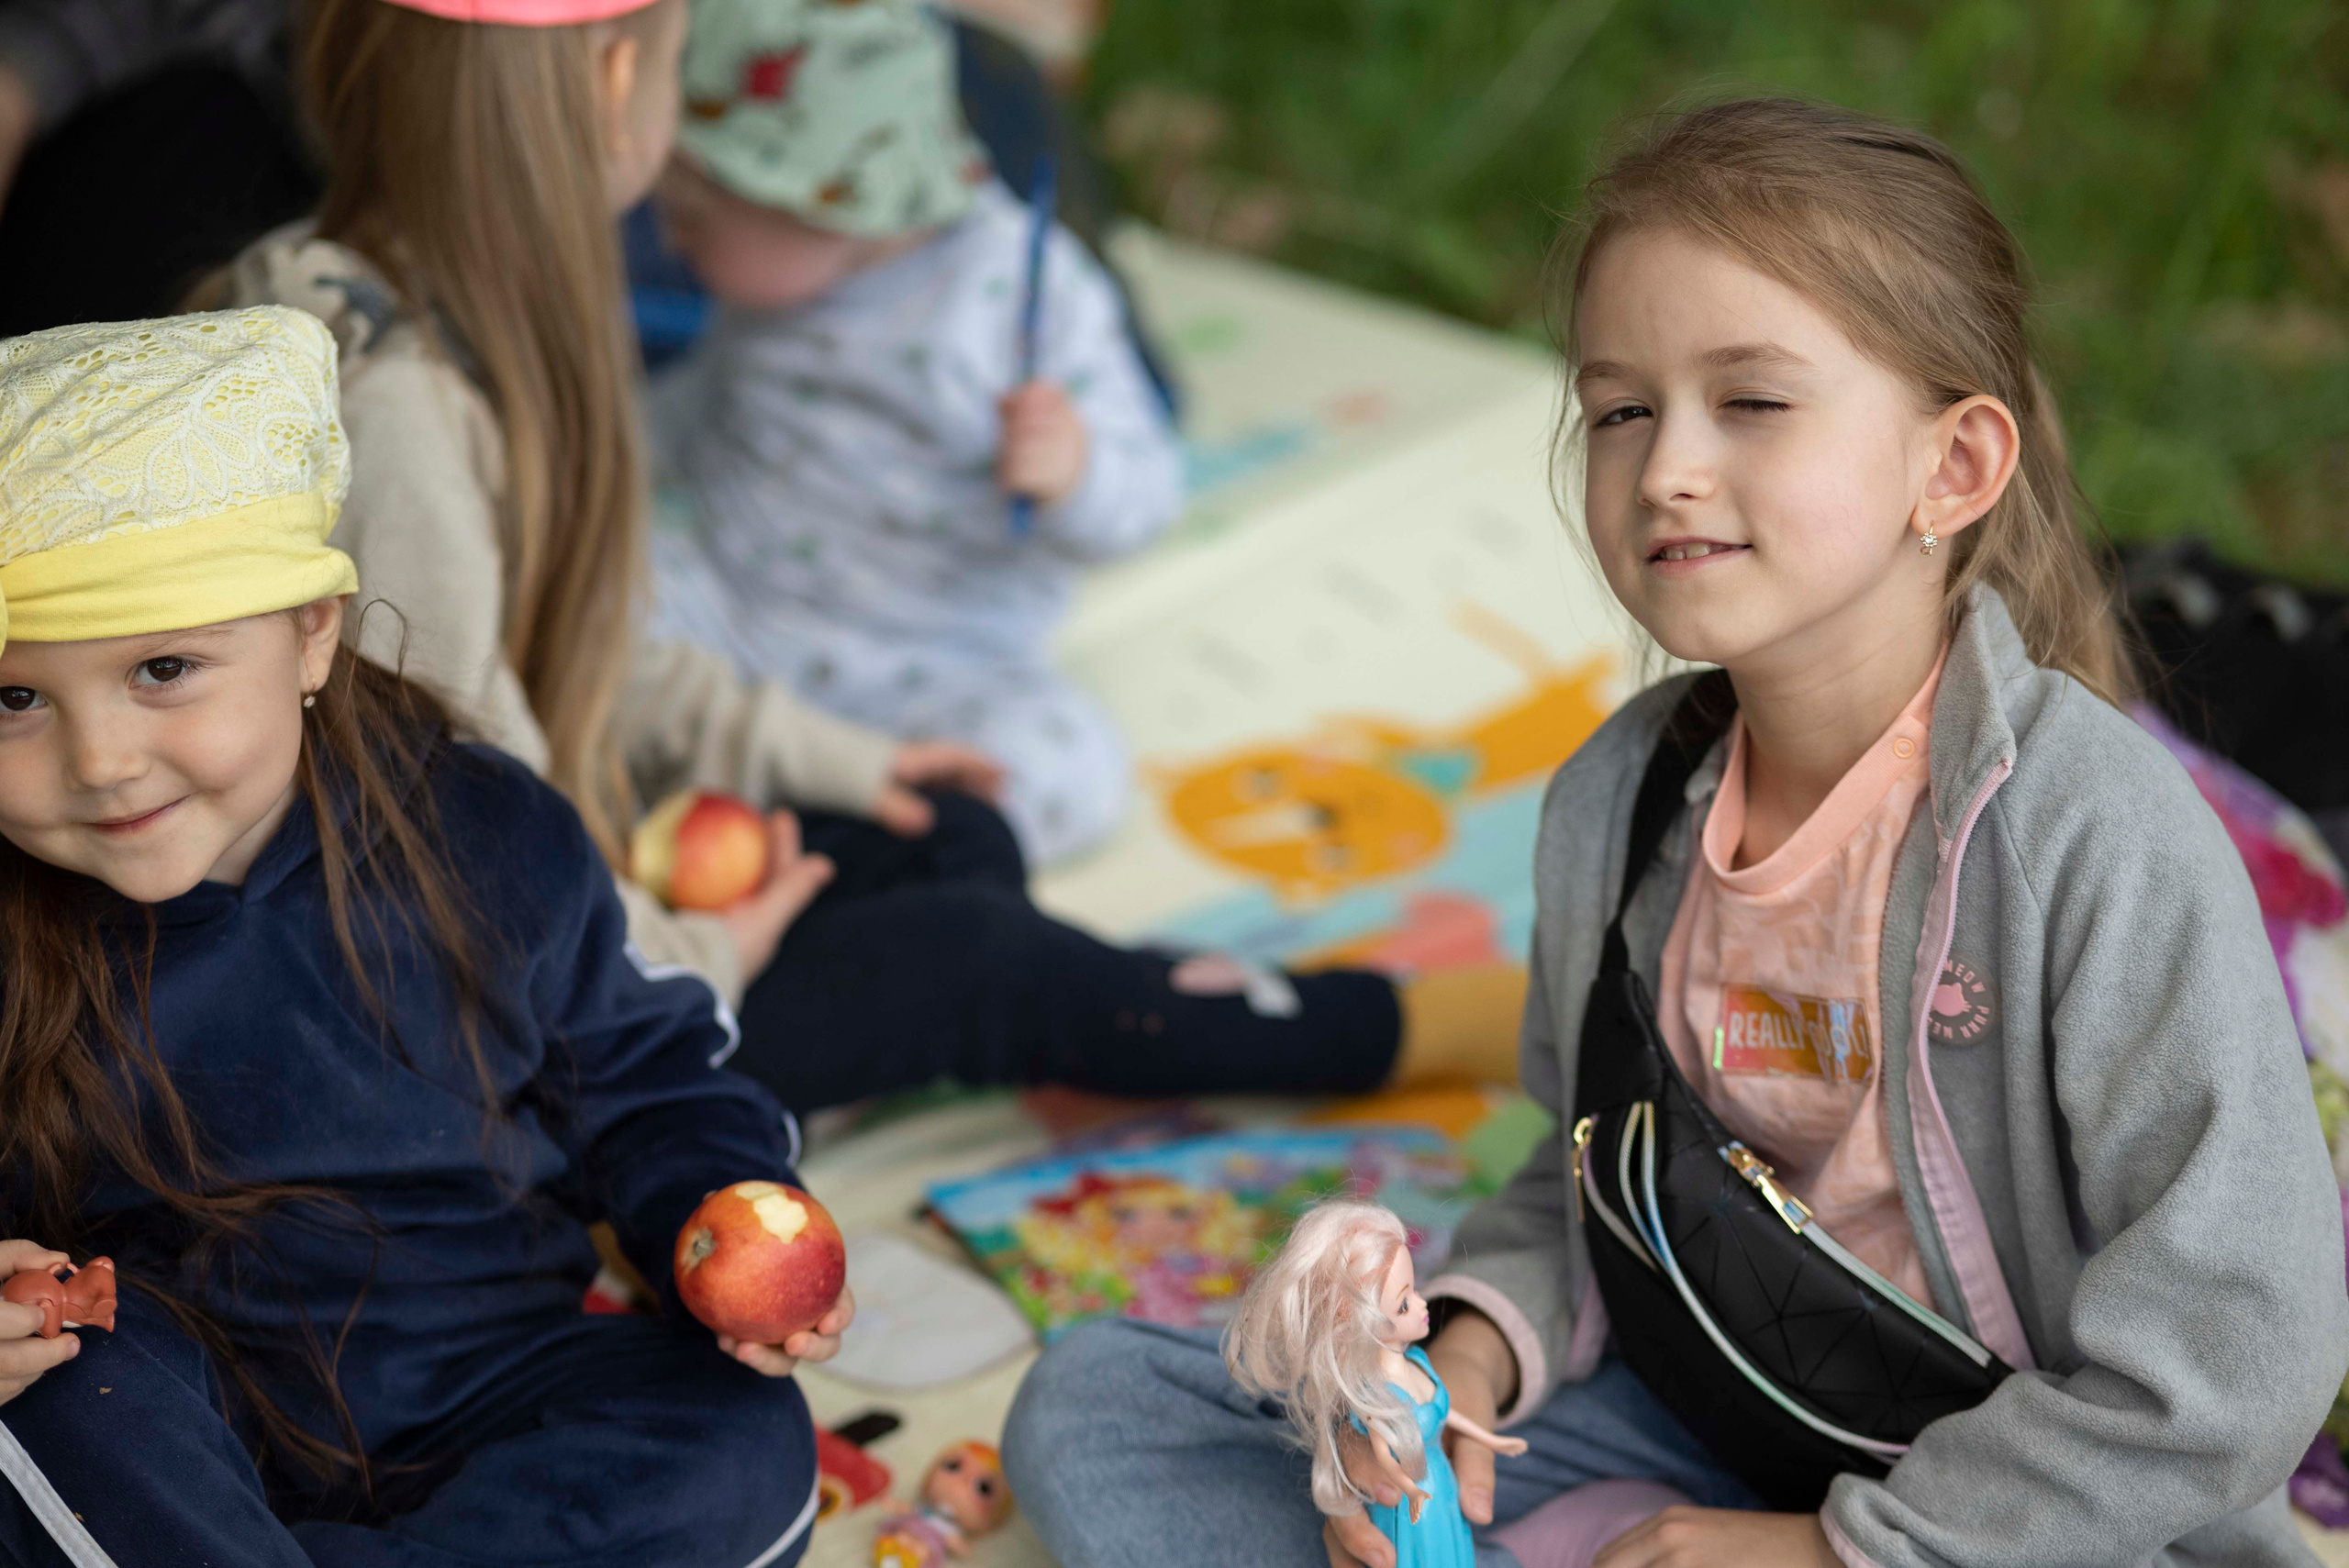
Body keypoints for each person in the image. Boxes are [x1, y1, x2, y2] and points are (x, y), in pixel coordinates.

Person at [1003, 98, 2349, 1568]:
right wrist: (1464, 1362)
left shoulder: (2095, 840)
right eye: (1623, 409)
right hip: (1710, 1407)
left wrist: (1837, 1552)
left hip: (2024, 1508)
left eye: (1751, 402)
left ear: (1953, 469)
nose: (1666, 470)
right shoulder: (1617, 803)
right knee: (1102, 1401)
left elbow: (2234, 1360)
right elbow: (1593, 1169)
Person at [210, 0, 1521, 1122]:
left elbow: (564, 657)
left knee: (948, 824)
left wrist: (840, 758)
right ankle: (1365, 1030)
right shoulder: (400, 416)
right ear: (622, 84)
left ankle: (788, 1059)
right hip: (484, 1036)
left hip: (550, 919)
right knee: (980, 962)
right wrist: (704, 950)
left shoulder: (377, 307)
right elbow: (472, 843)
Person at [0, 307, 851, 1566]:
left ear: (308, 635)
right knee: (55, 1407)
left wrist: (713, 1215)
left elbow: (649, 1079)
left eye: (163, 670)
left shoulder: (483, 828)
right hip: (186, 1439)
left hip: (490, 1367)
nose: (101, 759)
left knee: (745, 1436)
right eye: (12, 696)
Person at [644, 0, 1185, 866]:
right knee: (586, 597)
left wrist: (1076, 472)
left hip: (932, 665)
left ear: (819, 199)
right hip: (730, 611)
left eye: (693, 218)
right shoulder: (772, 287)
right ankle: (725, 778)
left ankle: (854, 849)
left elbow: (1149, 495)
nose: (669, 241)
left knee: (1070, 763)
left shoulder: (1018, 301)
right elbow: (698, 407)